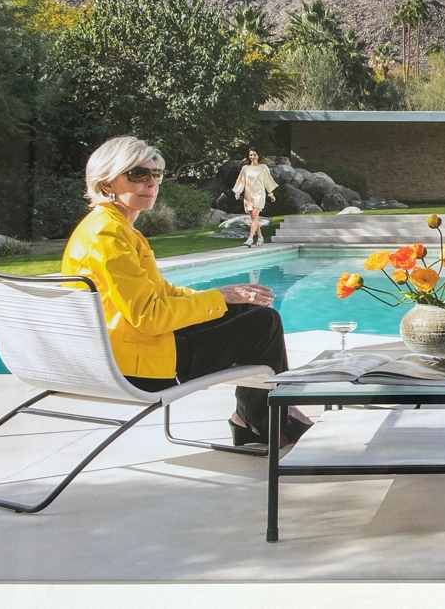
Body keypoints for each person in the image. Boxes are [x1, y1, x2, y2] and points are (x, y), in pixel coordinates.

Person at [61, 136, 311, 447]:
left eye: (156, 174)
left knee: (248, 310)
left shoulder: (110, 227)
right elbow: (150, 317)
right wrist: (218, 298)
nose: (151, 182)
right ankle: (266, 417)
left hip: (127, 354)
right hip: (139, 369)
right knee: (263, 323)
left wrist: (224, 294)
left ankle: (257, 417)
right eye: (138, 174)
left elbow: (160, 292)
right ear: (106, 183)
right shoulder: (109, 236)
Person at [233, 148, 279, 247]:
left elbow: (267, 181)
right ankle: (260, 237)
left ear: (258, 156)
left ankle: (250, 239)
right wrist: (238, 192)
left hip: (259, 194)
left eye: (254, 155)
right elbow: (241, 181)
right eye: (251, 155)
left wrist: (270, 194)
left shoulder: (263, 167)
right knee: (254, 218)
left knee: (255, 216)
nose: (252, 157)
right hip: (248, 195)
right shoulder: (245, 168)